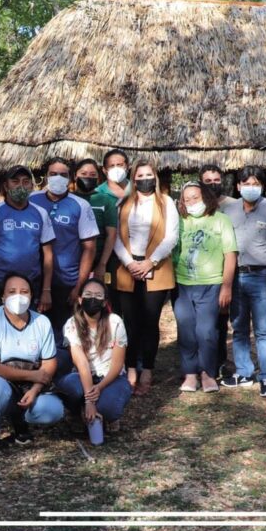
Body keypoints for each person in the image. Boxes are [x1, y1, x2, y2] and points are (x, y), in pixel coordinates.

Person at [0, 272, 65, 454]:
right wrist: (32, 375)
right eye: (12, 291)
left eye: (24, 292)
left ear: (31, 296)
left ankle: (21, 422)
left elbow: (49, 363)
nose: (18, 296)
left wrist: (35, 389)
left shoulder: (42, 322)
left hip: (29, 387)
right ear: (2, 297)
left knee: (52, 410)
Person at [112, 158, 178, 395]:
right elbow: (116, 237)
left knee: (150, 322)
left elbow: (171, 236)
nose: (144, 179)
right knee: (130, 322)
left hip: (156, 268)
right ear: (133, 179)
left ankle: (147, 370)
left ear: (155, 177)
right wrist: (130, 263)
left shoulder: (166, 202)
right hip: (128, 267)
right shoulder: (123, 202)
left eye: (148, 175)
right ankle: (131, 368)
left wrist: (151, 261)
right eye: (139, 176)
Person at [220, 166, 266, 396]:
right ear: (238, 186)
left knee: (263, 329)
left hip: (261, 277)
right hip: (234, 276)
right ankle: (244, 372)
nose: (251, 188)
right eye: (246, 184)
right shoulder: (228, 210)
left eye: (255, 184)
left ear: (262, 186)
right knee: (238, 327)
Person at [172, 181, 237, 394]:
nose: (191, 202)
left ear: (205, 198)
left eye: (196, 197)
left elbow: (230, 254)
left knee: (207, 331)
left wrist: (226, 286)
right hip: (183, 284)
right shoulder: (180, 221)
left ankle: (207, 373)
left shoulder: (221, 220)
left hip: (211, 284)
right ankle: (190, 373)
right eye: (187, 199)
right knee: (186, 330)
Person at [29, 157, 99, 343]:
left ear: (70, 178)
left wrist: (78, 286)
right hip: (33, 279)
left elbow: (89, 248)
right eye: (53, 174)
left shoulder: (81, 205)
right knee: (34, 334)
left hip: (67, 282)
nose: (58, 178)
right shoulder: (32, 200)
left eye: (63, 174)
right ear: (46, 176)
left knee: (65, 336)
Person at [54, 279, 131, 434]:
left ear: (104, 302)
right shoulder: (71, 324)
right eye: (88, 294)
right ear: (80, 299)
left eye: (98, 295)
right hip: (82, 375)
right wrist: (90, 400)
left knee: (108, 408)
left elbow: (117, 364)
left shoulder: (115, 322)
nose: (93, 299)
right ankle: (76, 412)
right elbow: (81, 363)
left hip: (111, 377)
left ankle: (109, 416)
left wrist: (100, 387)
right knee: (71, 388)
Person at [0, 165, 55, 312]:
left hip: (30, 284)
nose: (21, 185)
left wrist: (46, 290)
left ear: (31, 186)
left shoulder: (41, 213)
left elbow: (48, 254)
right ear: (6, 186)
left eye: (26, 181)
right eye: (15, 181)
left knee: (29, 323)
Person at [201, 163, 236, 375]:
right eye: (208, 181)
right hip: (199, 275)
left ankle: (219, 362)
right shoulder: (193, 205)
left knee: (221, 321)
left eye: (216, 180)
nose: (213, 184)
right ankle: (197, 364)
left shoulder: (233, 205)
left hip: (226, 272)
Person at [73, 158, 119, 286]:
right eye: (83, 174)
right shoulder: (68, 199)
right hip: (71, 262)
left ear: (98, 178)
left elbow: (111, 235)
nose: (87, 177)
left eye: (92, 174)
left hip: (97, 260)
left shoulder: (107, 200)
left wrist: (102, 264)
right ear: (75, 176)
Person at [94, 149, 130, 288]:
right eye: (112, 166)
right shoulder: (97, 194)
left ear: (127, 166)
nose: (116, 169)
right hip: (106, 256)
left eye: (120, 165)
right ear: (104, 170)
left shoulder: (138, 191)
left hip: (134, 255)